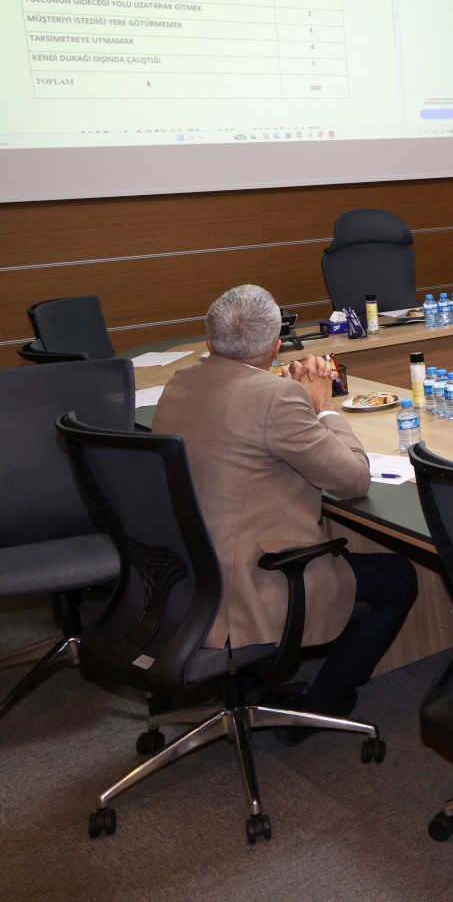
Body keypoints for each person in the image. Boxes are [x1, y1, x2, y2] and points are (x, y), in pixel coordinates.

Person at [153, 285, 417, 739]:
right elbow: (354, 479)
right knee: (399, 577)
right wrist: (323, 407)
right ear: (276, 346)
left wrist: (287, 390)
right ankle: (319, 704)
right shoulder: (277, 400)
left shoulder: (181, 382)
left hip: (186, 578)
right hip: (251, 585)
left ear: (210, 342)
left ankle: (253, 682)